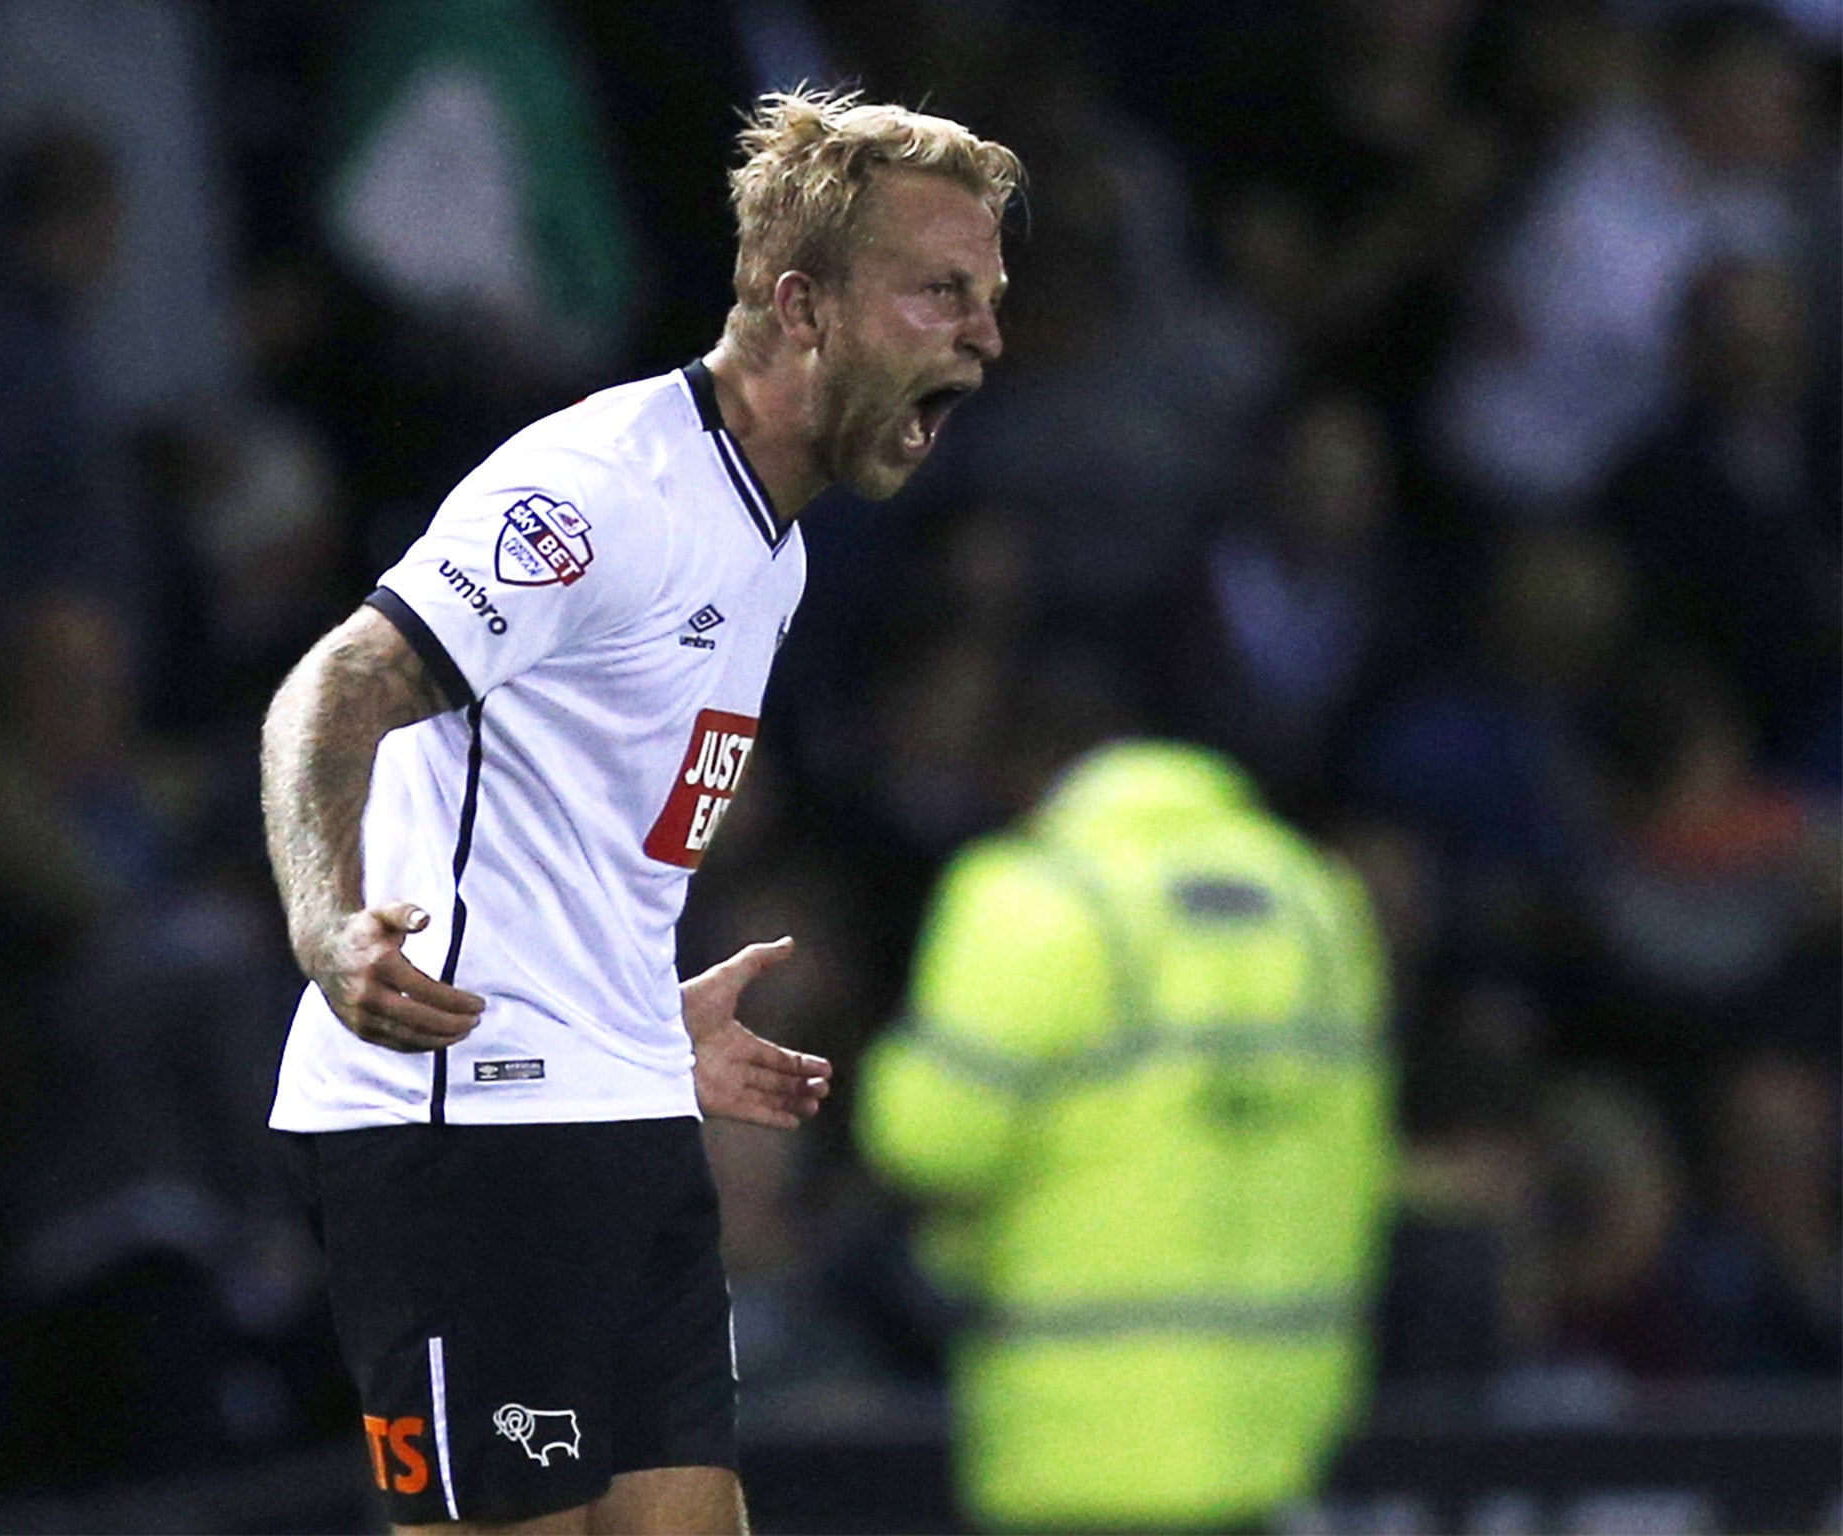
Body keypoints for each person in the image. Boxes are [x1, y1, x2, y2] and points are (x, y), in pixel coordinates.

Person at [262, 87, 1020, 1534]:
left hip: (613, 1116)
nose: (985, 332)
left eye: (989, 297)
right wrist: (325, 921)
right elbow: (338, 682)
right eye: (943, 291)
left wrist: (625, 1014)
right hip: (458, 1138)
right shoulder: (600, 489)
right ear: (801, 306)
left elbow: (545, 824)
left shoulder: (770, 552)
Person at [858, 741, 1395, 1535]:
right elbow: (1359, 1154)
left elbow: (927, 1141)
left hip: (1079, 1430)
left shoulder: (1036, 897)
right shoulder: (1319, 901)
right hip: (1282, 1427)